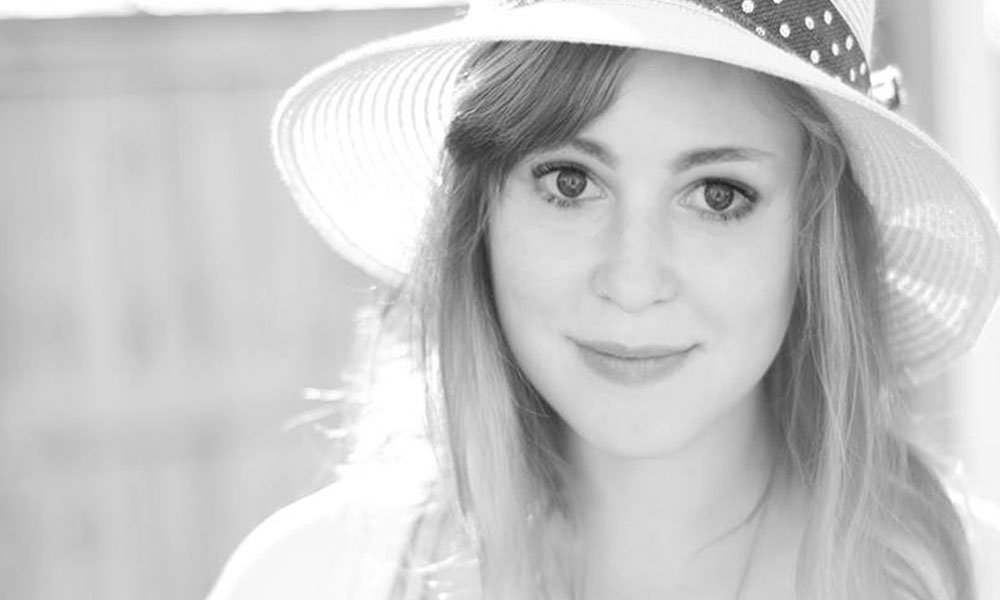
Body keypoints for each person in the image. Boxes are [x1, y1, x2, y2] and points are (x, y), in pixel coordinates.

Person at [208, 1, 1000, 598]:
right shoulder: (307, 579)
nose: (632, 280)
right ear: (480, 212)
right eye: (570, 181)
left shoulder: (972, 575)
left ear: (815, 236)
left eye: (718, 195)